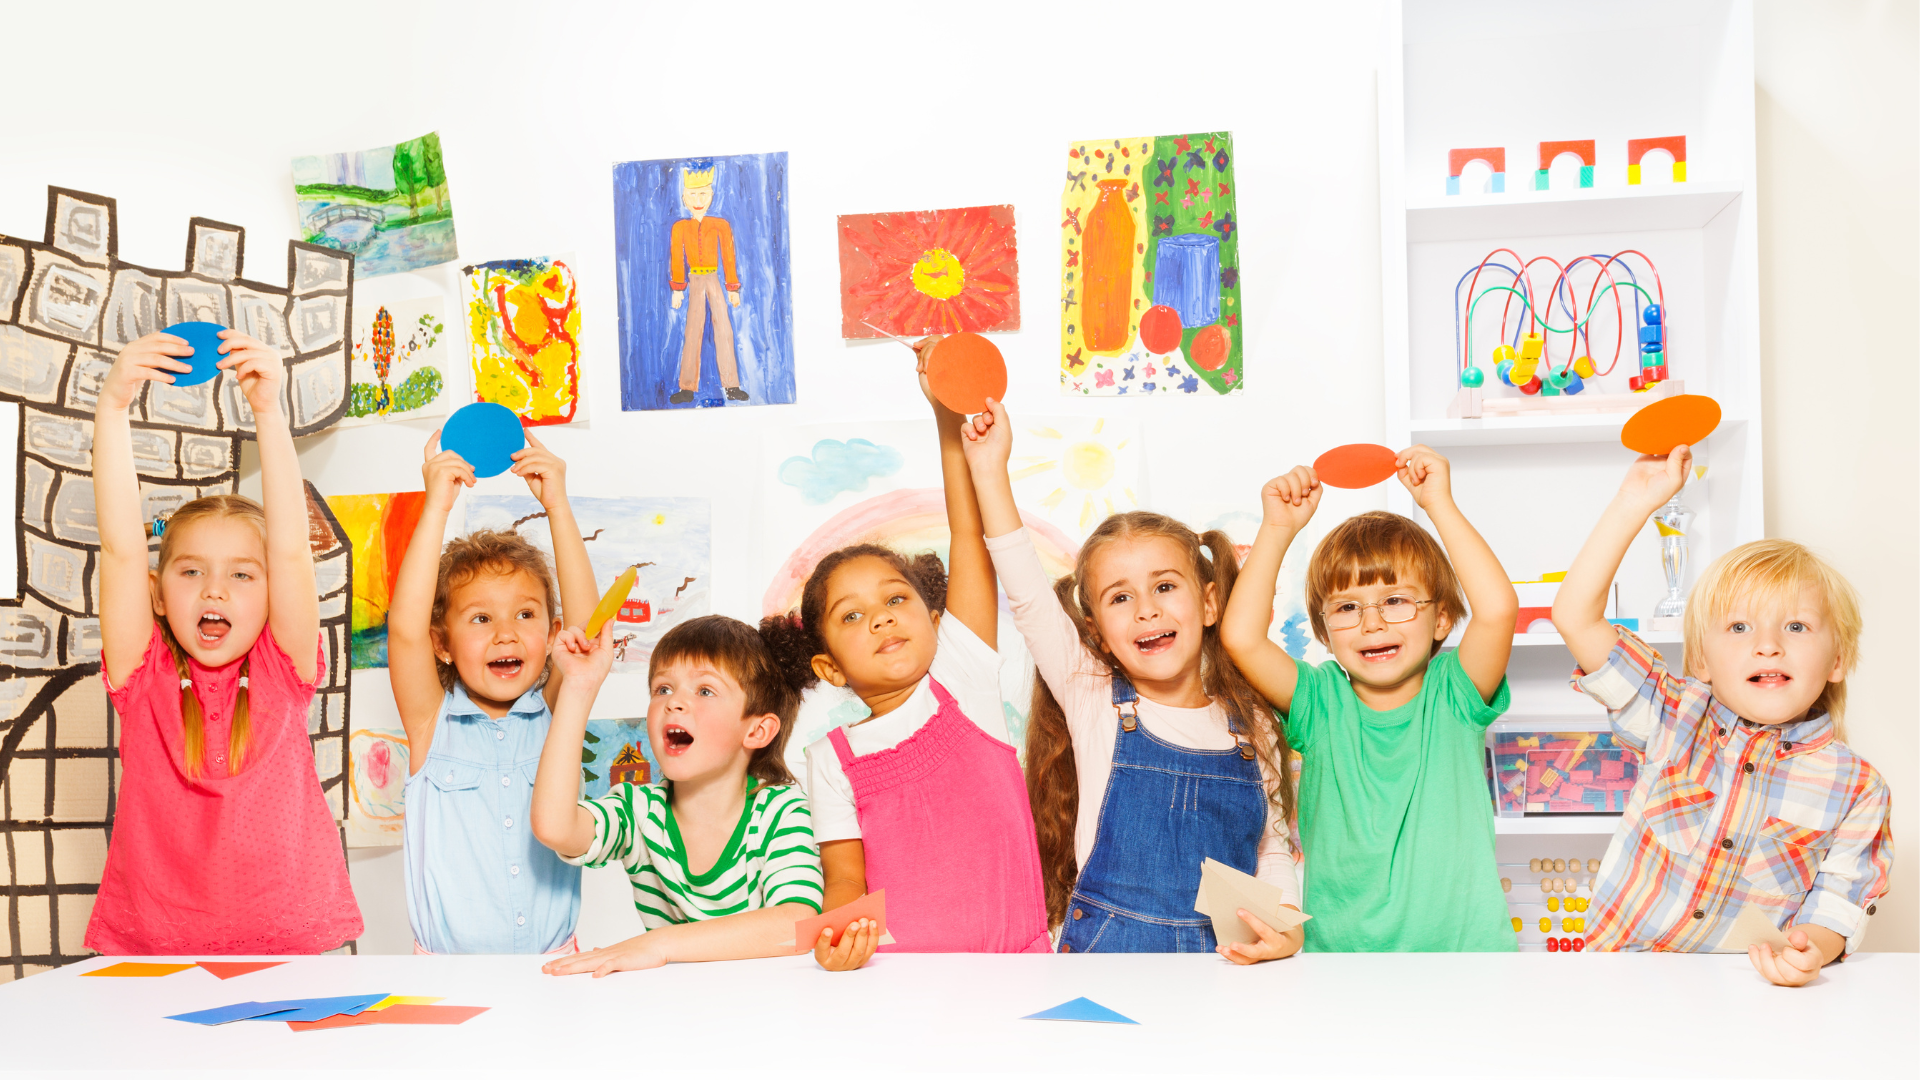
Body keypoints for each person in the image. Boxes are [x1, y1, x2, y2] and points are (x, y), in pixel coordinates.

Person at [962, 399, 1301, 961]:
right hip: (1104, 962)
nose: (1146, 609)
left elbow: (1271, 850)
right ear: (1096, 634)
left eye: (1165, 586)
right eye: (1121, 597)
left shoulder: (1253, 726)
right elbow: (1024, 590)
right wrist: (989, 467)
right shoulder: (1091, 696)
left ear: (1210, 603)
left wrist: (1284, 927)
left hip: (1220, 968)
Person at [1551, 446, 1891, 986]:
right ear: (1701, 662)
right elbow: (1574, 616)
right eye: (1740, 628)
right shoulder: (1672, 715)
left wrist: (1811, 953)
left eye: (1796, 627)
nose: (1768, 647)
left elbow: (1838, 904)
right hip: (1620, 982)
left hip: (1749, 996)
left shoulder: (1857, 787)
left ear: (1838, 660)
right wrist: (1633, 503)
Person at [761, 342, 1049, 969]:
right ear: (830, 667)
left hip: (1021, 963)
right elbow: (844, 879)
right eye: (852, 616)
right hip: (904, 982)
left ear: (936, 618)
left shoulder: (963, 675)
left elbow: (966, 530)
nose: (882, 617)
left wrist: (947, 414)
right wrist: (838, 937)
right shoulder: (830, 759)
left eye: (895, 598)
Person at [87, 329, 361, 954]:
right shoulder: (142, 672)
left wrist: (269, 410)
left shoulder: (280, 666)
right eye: (191, 572)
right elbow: (122, 552)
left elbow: (291, 550)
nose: (215, 591)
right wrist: (113, 406)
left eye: (242, 574)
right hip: (157, 948)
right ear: (159, 596)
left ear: (271, 598)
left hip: (287, 942)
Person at [1221, 452, 1518, 952]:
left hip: (1466, 961)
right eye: (1347, 608)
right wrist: (1277, 530)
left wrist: (1438, 503)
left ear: (1441, 620)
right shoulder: (1319, 702)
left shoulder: (1456, 693)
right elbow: (1242, 638)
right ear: (1323, 633)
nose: (1372, 623)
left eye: (1397, 601)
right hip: (1341, 964)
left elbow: (1497, 608)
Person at [386, 429, 596, 954]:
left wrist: (558, 506)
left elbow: (591, 629)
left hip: (553, 970)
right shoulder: (430, 722)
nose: (506, 633)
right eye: (481, 618)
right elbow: (405, 630)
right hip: (445, 977)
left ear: (551, 635)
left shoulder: (558, 711)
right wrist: (437, 504)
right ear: (443, 644)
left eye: (525, 615)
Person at [532, 616, 828, 976]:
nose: (674, 703)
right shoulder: (637, 810)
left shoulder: (780, 810)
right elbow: (554, 827)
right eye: (663, 689)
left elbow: (796, 924)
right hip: (675, 1012)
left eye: (704, 691)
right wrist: (578, 688)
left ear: (757, 730)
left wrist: (660, 944)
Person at [667, 161, 749, 405]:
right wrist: (678, 289)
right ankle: (687, 388)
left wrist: (732, 288)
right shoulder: (680, 227)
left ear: (711, 195)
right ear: (684, 197)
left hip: (714, 279)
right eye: (692, 194)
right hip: (693, 280)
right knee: (692, 330)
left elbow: (729, 257)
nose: (698, 199)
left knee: (723, 328)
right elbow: (676, 259)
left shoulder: (720, 225)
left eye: (703, 193)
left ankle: (732, 386)